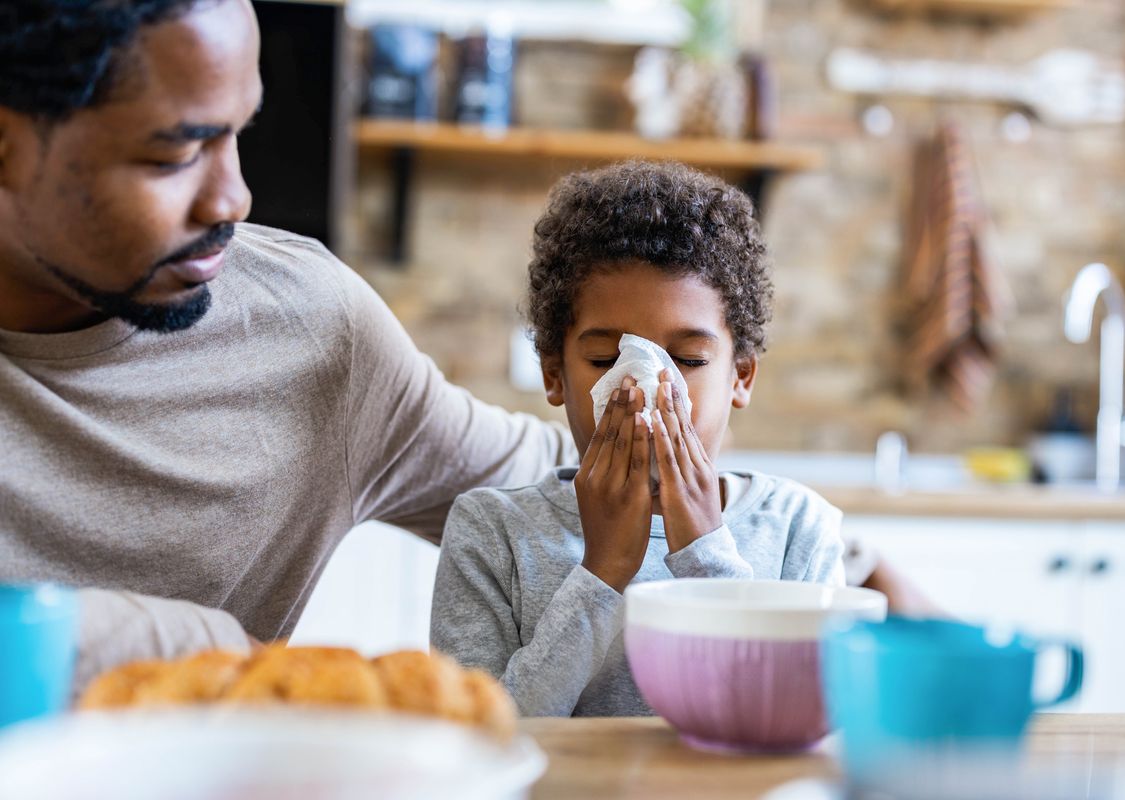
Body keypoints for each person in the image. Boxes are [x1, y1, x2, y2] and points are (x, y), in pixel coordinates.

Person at [0, 0, 572, 691]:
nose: (232, 199)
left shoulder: (311, 333)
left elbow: (565, 490)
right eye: (176, 153)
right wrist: (200, 641)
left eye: (240, 132)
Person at [430, 161, 846, 717]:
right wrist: (601, 573)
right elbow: (477, 743)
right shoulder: (491, 534)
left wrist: (706, 557)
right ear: (554, 374)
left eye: (689, 360)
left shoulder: (798, 530)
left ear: (740, 377)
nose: (647, 393)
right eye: (605, 359)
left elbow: (799, 722)